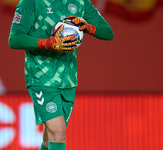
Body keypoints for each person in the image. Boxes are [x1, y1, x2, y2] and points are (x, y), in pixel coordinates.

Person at [8, 0, 114, 150]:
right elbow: (14, 38)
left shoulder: (81, 2)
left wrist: (89, 27)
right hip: (41, 76)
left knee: (49, 139)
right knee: (58, 132)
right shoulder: (30, 2)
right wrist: (48, 43)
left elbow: (108, 33)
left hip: (68, 79)